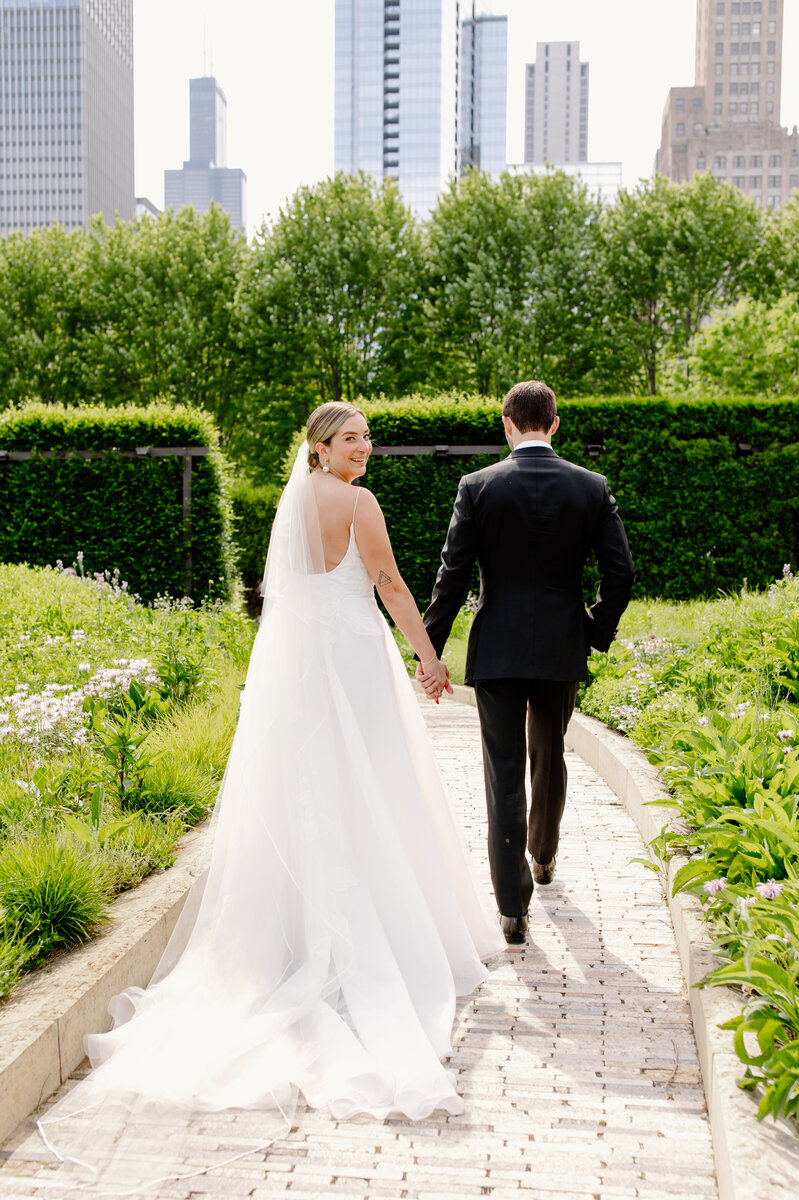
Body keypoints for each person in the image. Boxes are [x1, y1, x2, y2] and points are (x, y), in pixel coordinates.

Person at [38, 402, 503, 1195]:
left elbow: (282, 598)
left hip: (303, 664)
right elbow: (388, 582)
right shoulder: (358, 504)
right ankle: (369, 940)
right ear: (320, 449)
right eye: (351, 440)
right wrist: (428, 658)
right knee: (371, 787)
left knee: (316, 792)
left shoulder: (293, 503)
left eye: (366, 440)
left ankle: (299, 935)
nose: (364, 451)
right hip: (354, 660)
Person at [417, 381, 634, 946]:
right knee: (550, 753)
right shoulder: (591, 487)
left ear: (507, 424)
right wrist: (593, 630)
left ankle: (512, 909)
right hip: (562, 646)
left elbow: (453, 575)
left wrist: (430, 650)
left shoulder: (478, 486)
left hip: (497, 651)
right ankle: (543, 854)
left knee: (503, 771)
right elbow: (621, 574)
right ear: (555, 424)